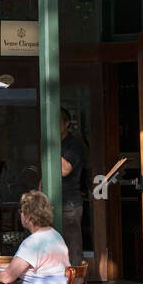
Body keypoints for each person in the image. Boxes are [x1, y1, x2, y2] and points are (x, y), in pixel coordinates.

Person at [60, 107, 86, 269]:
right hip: (50, 203)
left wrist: (52, 145)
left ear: (67, 123)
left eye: (57, 122)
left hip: (70, 203)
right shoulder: (57, 145)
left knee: (72, 248)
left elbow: (64, 170)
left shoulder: (74, 144)